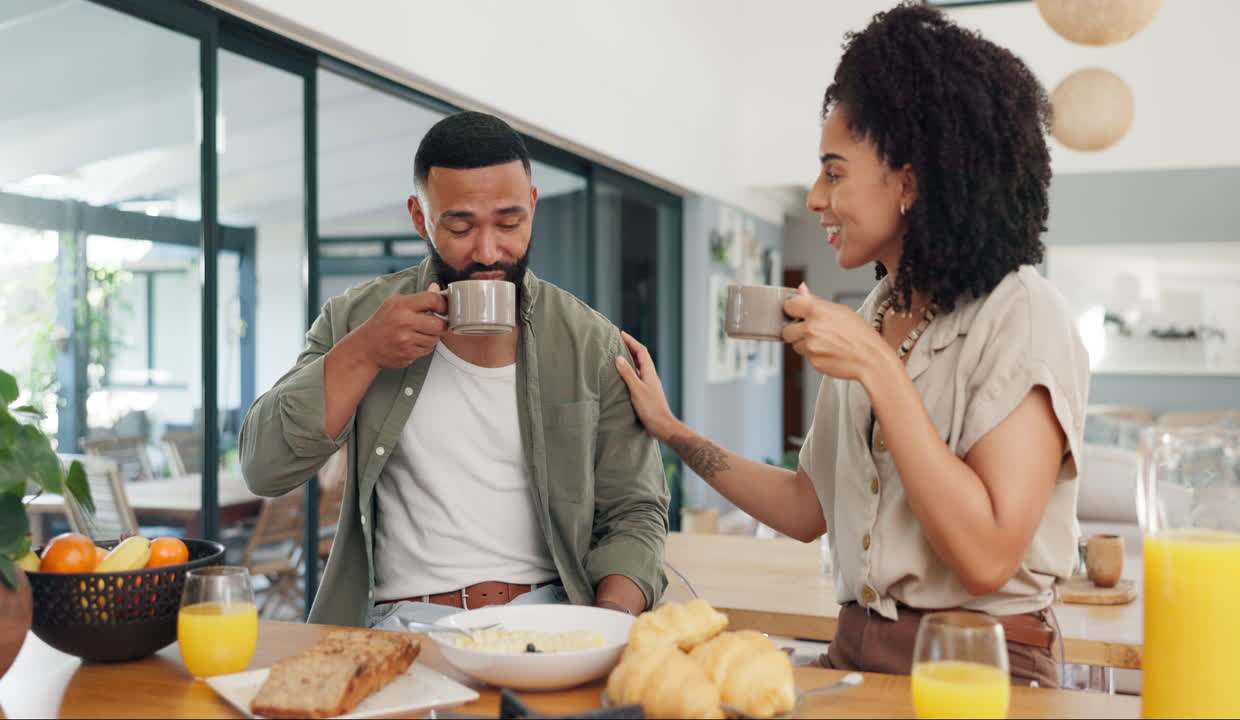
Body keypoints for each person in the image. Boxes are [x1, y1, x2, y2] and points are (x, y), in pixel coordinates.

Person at [615, 3, 1088, 687]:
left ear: (910, 181)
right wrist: (670, 431)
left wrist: (874, 369)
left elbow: (986, 555)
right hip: (857, 652)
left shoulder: (1023, 314)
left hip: (982, 671)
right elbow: (808, 508)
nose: (814, 196)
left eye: (833, 172)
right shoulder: (874, 313)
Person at [239, 111, 668, 629]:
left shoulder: (591, 343)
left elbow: (636, 511)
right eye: (460, 226)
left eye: (509, 224)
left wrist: (605, 623)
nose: (488, 251)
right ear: (420, 217)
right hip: (401, 622)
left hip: (552, 616)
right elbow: (264, 468)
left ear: (532, 206)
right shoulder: (355, 320)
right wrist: (363, 354)